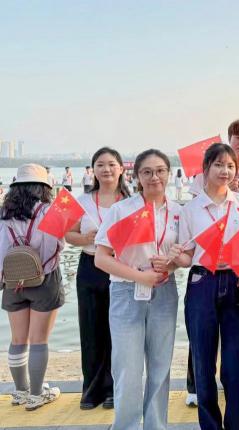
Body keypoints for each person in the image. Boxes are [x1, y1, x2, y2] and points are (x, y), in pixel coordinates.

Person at [170, 143, 239, 430]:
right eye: (218, 165)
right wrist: (176, 257)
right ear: (205, 169)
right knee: (203, 360)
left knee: (237, 362)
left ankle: (236, 424)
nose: (225, 171)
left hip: (238, 282)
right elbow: (187, 256)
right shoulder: (191, 209)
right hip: (202, 282)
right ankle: (209, 424)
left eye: (230, 166)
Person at [95, 149, 181, 430]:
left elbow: (186, 257)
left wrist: (171, 263)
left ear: (169, 174)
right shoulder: (122, 210)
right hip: (126, 292)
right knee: (127, 369)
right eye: (147, 172)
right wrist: (140, 276)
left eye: (160, 170)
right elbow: (101, 258)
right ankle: (126, 426)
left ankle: (156, 425)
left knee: (160, 366)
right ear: (136, 176)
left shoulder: (178, 212)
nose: (154, 177)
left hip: (164, 292)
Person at [65, 148, 130, 410]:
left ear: (121, 169)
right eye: (100, 165)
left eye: (111, 164)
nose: (106, 169)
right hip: (90, 267)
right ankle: (91, 390)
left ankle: (114, 389)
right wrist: (86, 238)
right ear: (93, 170)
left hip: (121, 268)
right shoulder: (81, 201)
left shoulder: (131, 201)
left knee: (118, 330)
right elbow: (68, 235)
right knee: (91, 329)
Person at [1, 164, 64, 410]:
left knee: (18, 339)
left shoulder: (5, 212)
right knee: (39, 340)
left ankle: (20, 391)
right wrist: (41, 269)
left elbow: (1, 249)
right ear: (44, 187)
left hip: (13, 280)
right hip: (44, 280)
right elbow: (54, 247)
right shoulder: (51, 211)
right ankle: (37, 394)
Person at [189, 119, 239, 208]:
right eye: (238, 137)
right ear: (229, 138)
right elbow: (194, 207)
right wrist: (222, 192)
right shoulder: (206, 172)